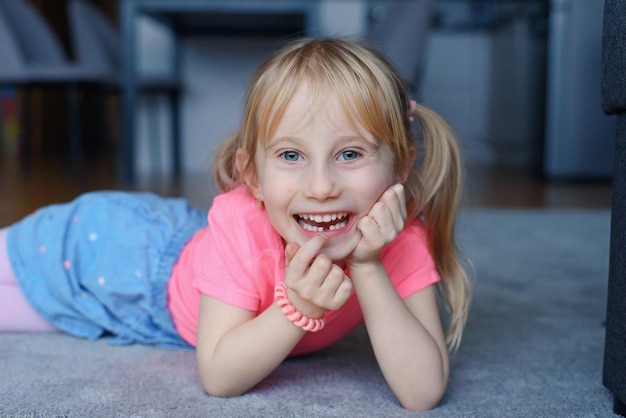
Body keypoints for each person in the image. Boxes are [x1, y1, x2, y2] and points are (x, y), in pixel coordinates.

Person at [0, 38, 471, 411]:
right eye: (291, 155)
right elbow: (219, 375)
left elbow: (422, 391)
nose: (322, 185)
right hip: (122, 257)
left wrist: (368, 265)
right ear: (254, 177)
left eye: (350, 154)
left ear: (401, 167)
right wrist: (299, 306)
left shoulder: (403, 238)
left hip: (169, 278)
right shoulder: (241, 222)